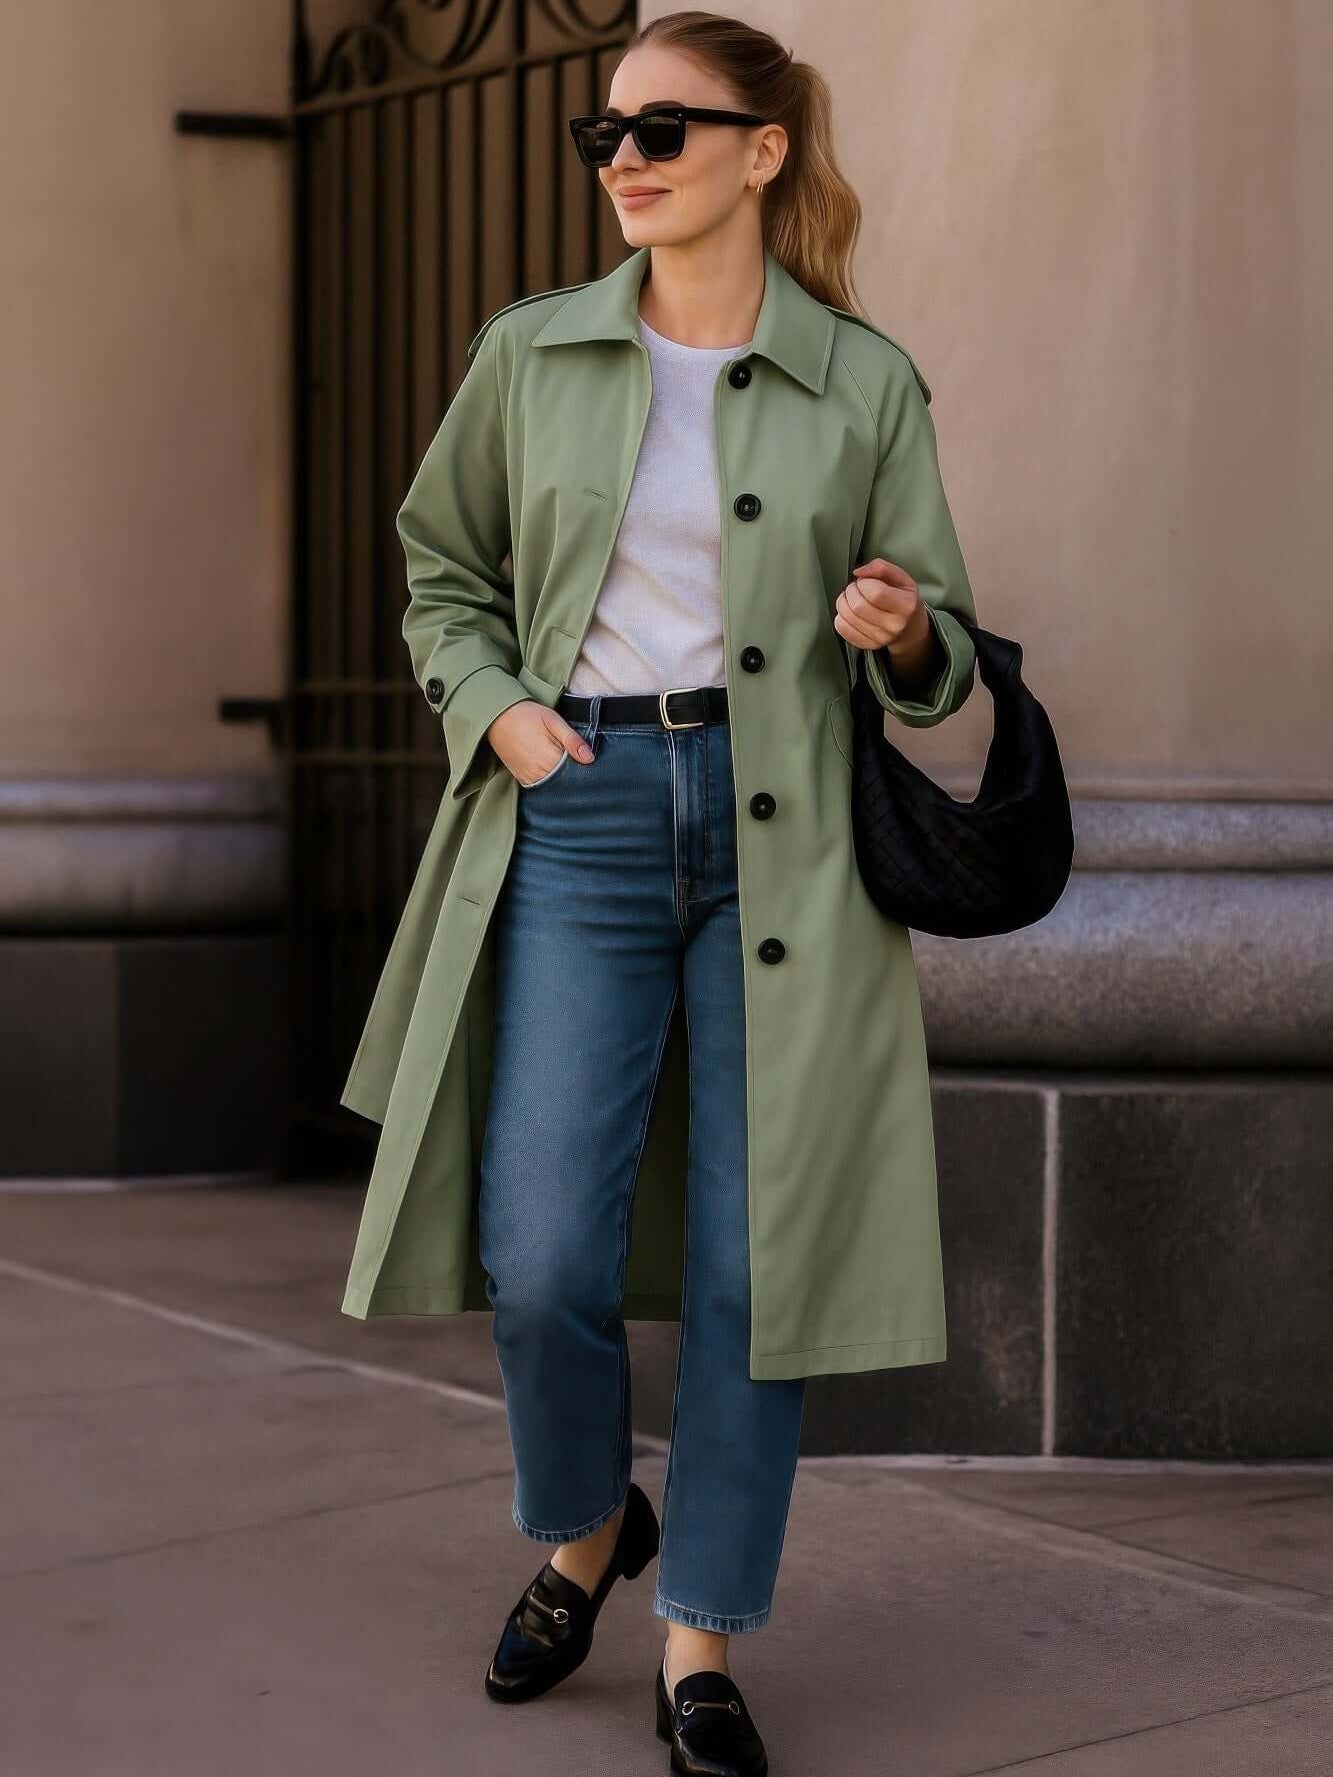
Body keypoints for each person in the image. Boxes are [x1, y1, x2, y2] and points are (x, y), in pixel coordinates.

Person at [359, 12, 979, 1774]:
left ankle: (697, 1633)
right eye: (604, 132)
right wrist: (505, 723)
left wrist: (906, 630)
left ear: (761, 152)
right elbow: (439, 573)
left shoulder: (866, 379)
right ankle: (581, 1525)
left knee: (749, 1261)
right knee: (542, 1246)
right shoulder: (531, 356)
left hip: (789, 843)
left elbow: (933, 659)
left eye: (662, 129)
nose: (622, 158)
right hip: (588, 810)